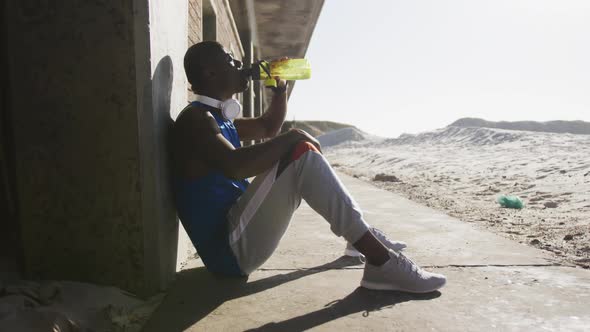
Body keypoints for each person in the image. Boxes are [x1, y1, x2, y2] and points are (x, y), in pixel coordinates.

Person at [170, 41, 446, 293]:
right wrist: (293, 137)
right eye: (231, 60)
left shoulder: (217, 118)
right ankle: (382, 262)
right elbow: (235, 166)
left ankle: (360, 237)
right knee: (300, 153)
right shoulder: (196, 120)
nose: (240, 65)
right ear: (210, 72)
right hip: (229, 251)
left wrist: (279, 91)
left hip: (237, 232)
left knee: (298, 151)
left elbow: (267, 127)